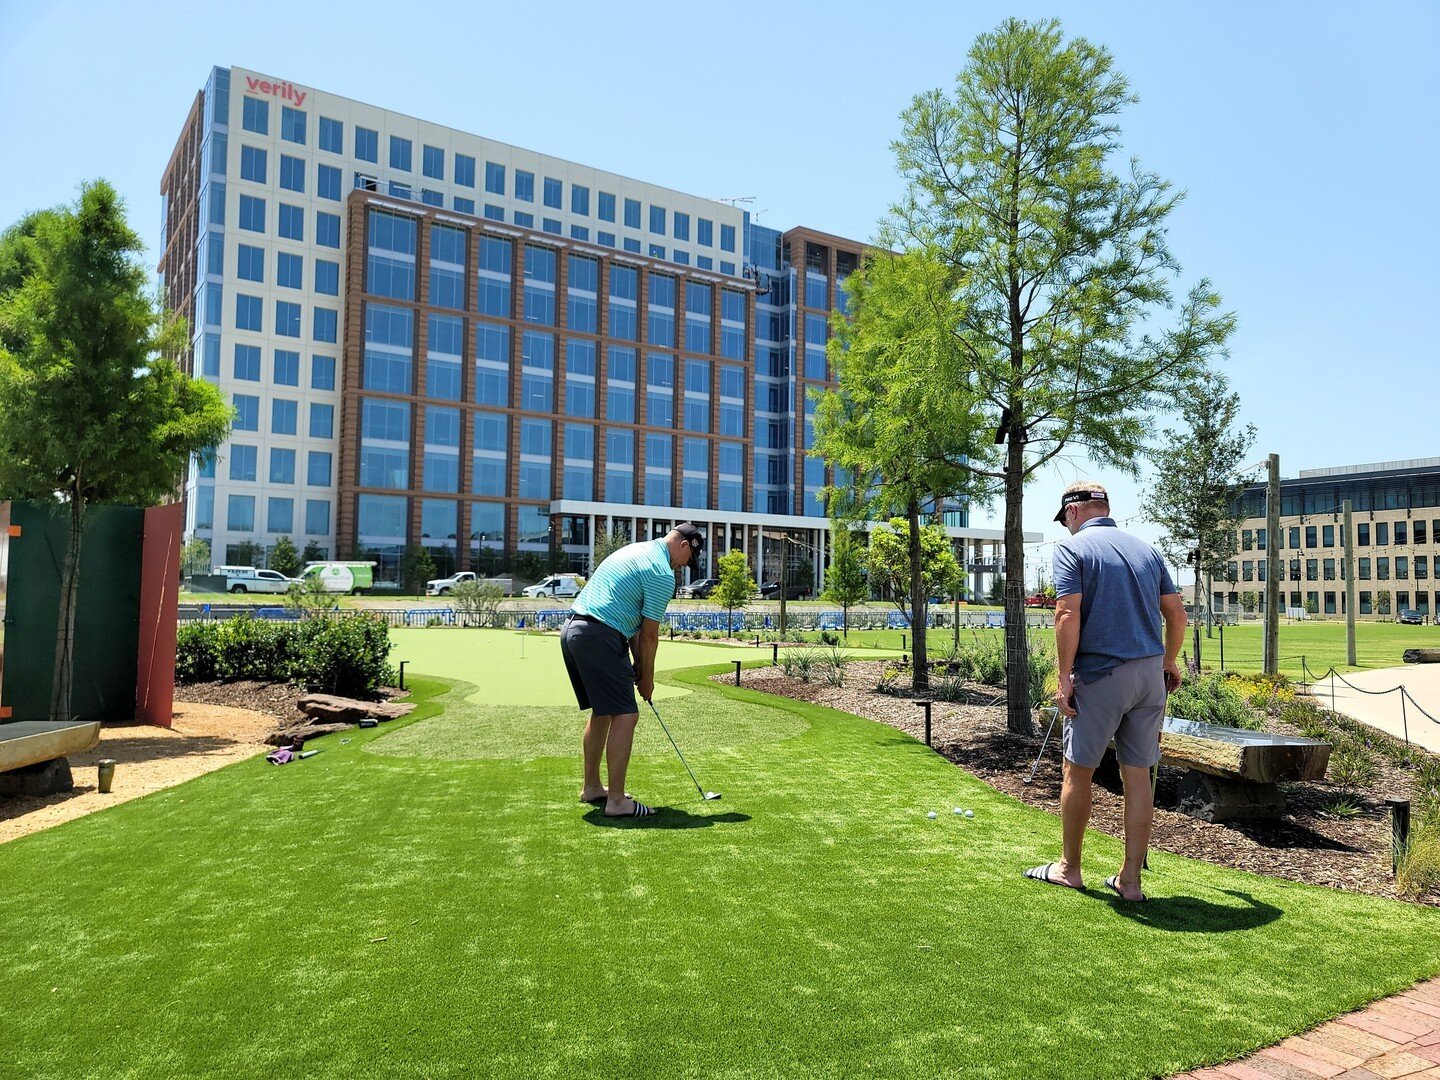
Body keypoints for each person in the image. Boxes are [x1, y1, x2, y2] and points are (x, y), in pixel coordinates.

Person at [1024, 483, 1186, 901]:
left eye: (1067, 520)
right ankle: (1130, 881)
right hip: (1149, 676)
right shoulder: (1147, 550)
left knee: (1078, 772)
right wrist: (1168, 662)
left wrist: (1063, 678)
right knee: (1137, 778)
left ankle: (1069, 869)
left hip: (1100, 676)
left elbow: (1066, 613)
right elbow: (1177, 613)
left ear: (1074, 512)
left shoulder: (1072, 549)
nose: (1068, 527)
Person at [560, 523, 705, 818]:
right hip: (600, 636)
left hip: (574, 630)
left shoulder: (636, 549)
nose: (684, 567)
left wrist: (639, 666)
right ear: (685, 545)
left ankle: (592, 787)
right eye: (688, 561)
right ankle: (616, 801)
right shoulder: (661, 573)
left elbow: (636, 627)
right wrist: (648, 680)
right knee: (627, 714)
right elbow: (651, 634)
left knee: (603, 712)